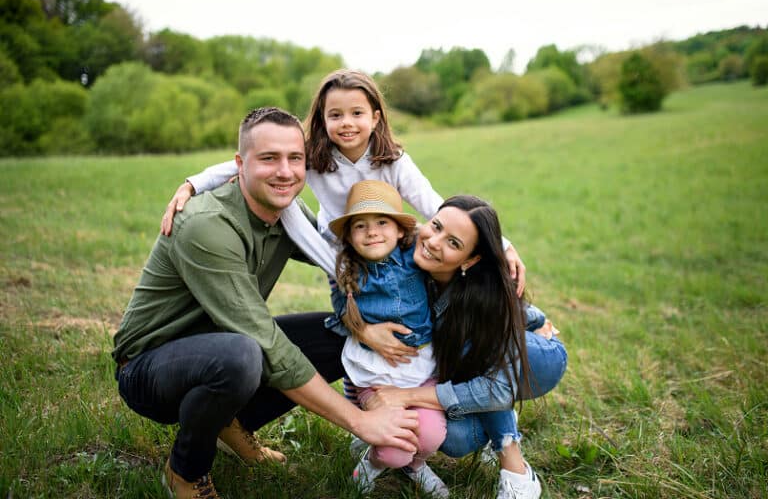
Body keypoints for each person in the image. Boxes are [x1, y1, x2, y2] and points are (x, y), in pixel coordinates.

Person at [112, 107, 419, 499]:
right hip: (149, 367)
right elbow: (265, 340)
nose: (285, 172)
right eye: (269, 158)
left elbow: (352, 253)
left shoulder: (288, 213)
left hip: (223, 344)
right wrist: (361, 423)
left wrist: (445, 247)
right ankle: (186, 472)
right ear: (239, 164)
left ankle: (230, 423)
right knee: (243, 356)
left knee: (335, 335)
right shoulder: (207, 224)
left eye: (295, 159)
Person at [160, 68, 528, 295]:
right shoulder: (314, 157)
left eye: (357, 113)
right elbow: (243, 164)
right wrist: (191, 185)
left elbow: (434, 205)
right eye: (335, 114)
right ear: (322, 118)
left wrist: (504, 245)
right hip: (338, 249)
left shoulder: (394, 161)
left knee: (418, 293)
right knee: (351, 304)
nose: (346, 123)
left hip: (391, 244)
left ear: (376, 117)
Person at [355, 195, 568, 499]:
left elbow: (498, 390)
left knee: (474, 353)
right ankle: (488, 413)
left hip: (537, 357)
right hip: (481, 362)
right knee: (454, 438)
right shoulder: (405, 249)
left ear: (469, 260)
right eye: (436, 226)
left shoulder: (482, 301)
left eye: (453, 243)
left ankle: (516, 468)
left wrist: (405, 396)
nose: (434, 242)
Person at [328, 180, 448, 497]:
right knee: (394, 449)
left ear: (399, 231)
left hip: (420, 366)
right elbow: (340, 306)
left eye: (382, 222)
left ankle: (417, 465)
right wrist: (360, 328)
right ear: (350, 237)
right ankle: (374, 461)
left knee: (431, 437)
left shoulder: (416, 259)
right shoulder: (348, 270)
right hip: (375, 373)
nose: (372, 232)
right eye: (360, 226)